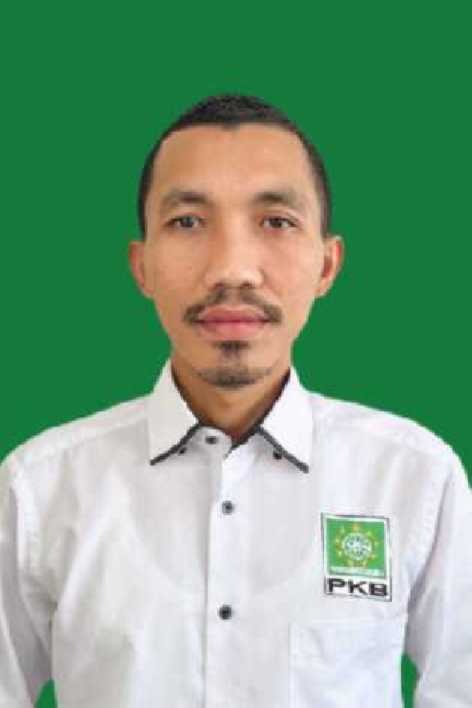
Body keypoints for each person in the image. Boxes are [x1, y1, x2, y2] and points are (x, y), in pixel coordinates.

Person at [1, 93, 471, 708]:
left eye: (276, 221)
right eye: (187, 222)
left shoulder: (413, 476)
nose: (233, 269)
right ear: (142, 266)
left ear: (327, 265)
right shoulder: (40, 489)